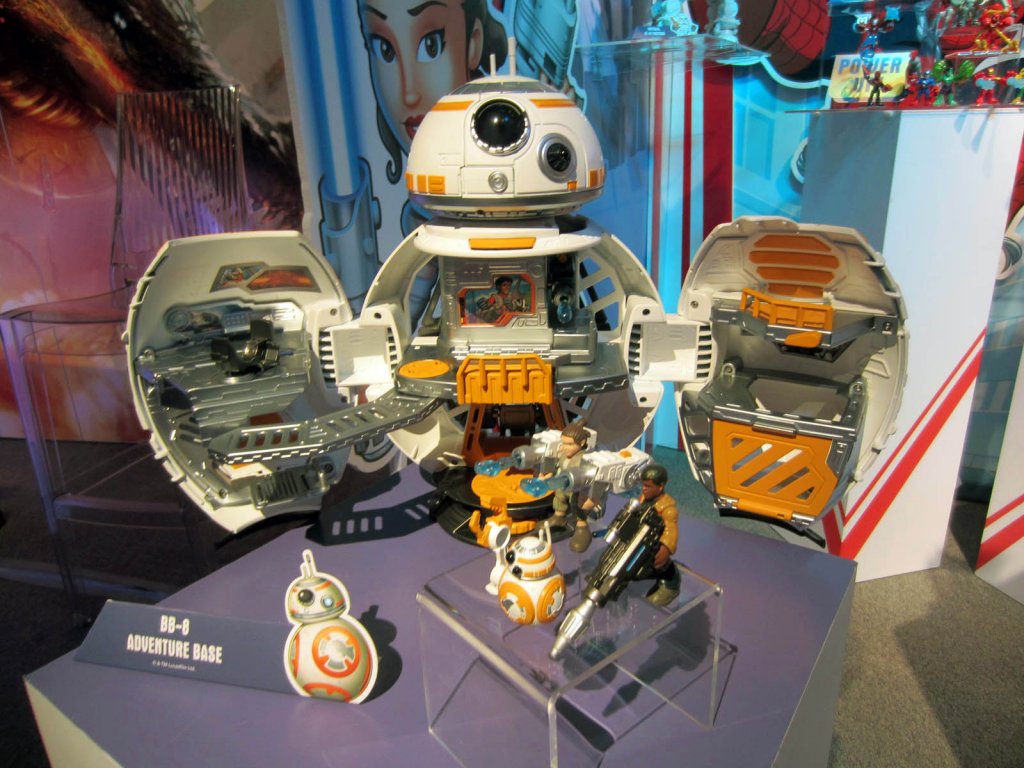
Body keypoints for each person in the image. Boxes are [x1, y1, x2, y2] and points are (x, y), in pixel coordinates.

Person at [546, 422, 599, 553]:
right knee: (559, 498)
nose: (565, 447)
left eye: (569, 444)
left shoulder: (584, 459)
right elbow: (558, 466)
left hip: (577, 489)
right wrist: (549, 474)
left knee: (576, 505)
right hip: (563, 484)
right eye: (563, 443)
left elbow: (592, 478)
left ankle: (582, 528)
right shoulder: (564, 454)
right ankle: (559, 516)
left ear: (582, 443)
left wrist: (593, 498)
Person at [635, 464, 680, 606]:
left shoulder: (667, 510)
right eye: (643, 485)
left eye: (648, 486)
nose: (644, 489)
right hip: (643, 539)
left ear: (660, 487)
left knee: (659, 562)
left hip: (656, 544)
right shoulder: (644, 498)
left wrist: (665, 548)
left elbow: (671, 531)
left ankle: (671, 584)